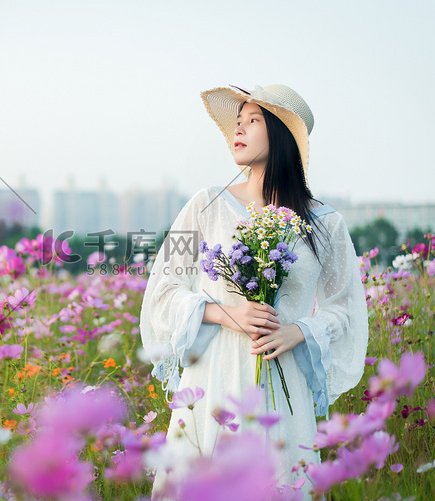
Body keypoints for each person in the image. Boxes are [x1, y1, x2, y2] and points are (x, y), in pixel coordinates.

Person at [139, 84, 369, 496]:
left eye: (252, 121)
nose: (237, 131)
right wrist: (226, 313)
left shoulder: (326, 223)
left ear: (281, 133)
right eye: (236, 123)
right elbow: (162, 288)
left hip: (285, 380)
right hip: (215, 376)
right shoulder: (204, 204)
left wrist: (298, 331)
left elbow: (347, 309)